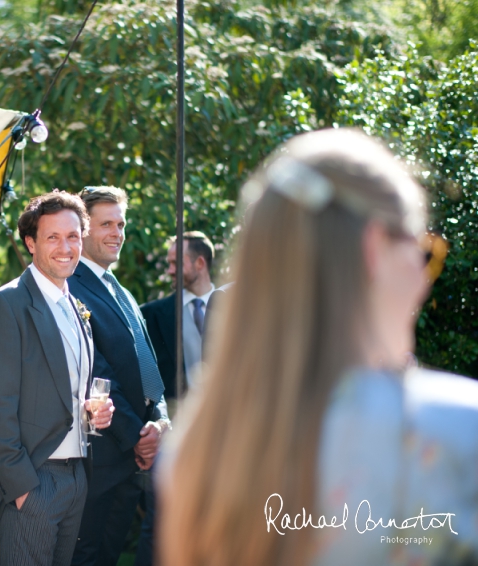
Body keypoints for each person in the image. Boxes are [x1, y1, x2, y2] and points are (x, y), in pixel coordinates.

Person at [159, 128, 478, 566]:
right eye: (425, 251)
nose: (424, 280)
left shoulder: (193, 450)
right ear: (373, 248)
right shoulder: (457, 431)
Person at [0, 190, 115, 566]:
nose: (66, 247)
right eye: (53, 237)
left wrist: (92, 414)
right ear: (31, 243)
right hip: (32, 481)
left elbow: (60, 394)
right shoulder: (5, 304)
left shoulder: (76, 307)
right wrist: (24, 488)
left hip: (76, 476)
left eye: (74, 236)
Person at [68, 186, 171, 566]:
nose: (117, 232)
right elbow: (95, 370)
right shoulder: (71, 287)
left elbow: (148, 365)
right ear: (83, 230)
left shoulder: (121, 291)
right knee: (88, 556)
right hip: (102, 458)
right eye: (106, 224)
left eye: (121, 224)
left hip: (134, 457)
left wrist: (160, 421)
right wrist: (136, 438)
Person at [141, 231, 216, 403]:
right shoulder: (152, 316)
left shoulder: (232, 307)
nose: (170, 271)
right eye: (169, 264)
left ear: (200, 263)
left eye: (176, 263)